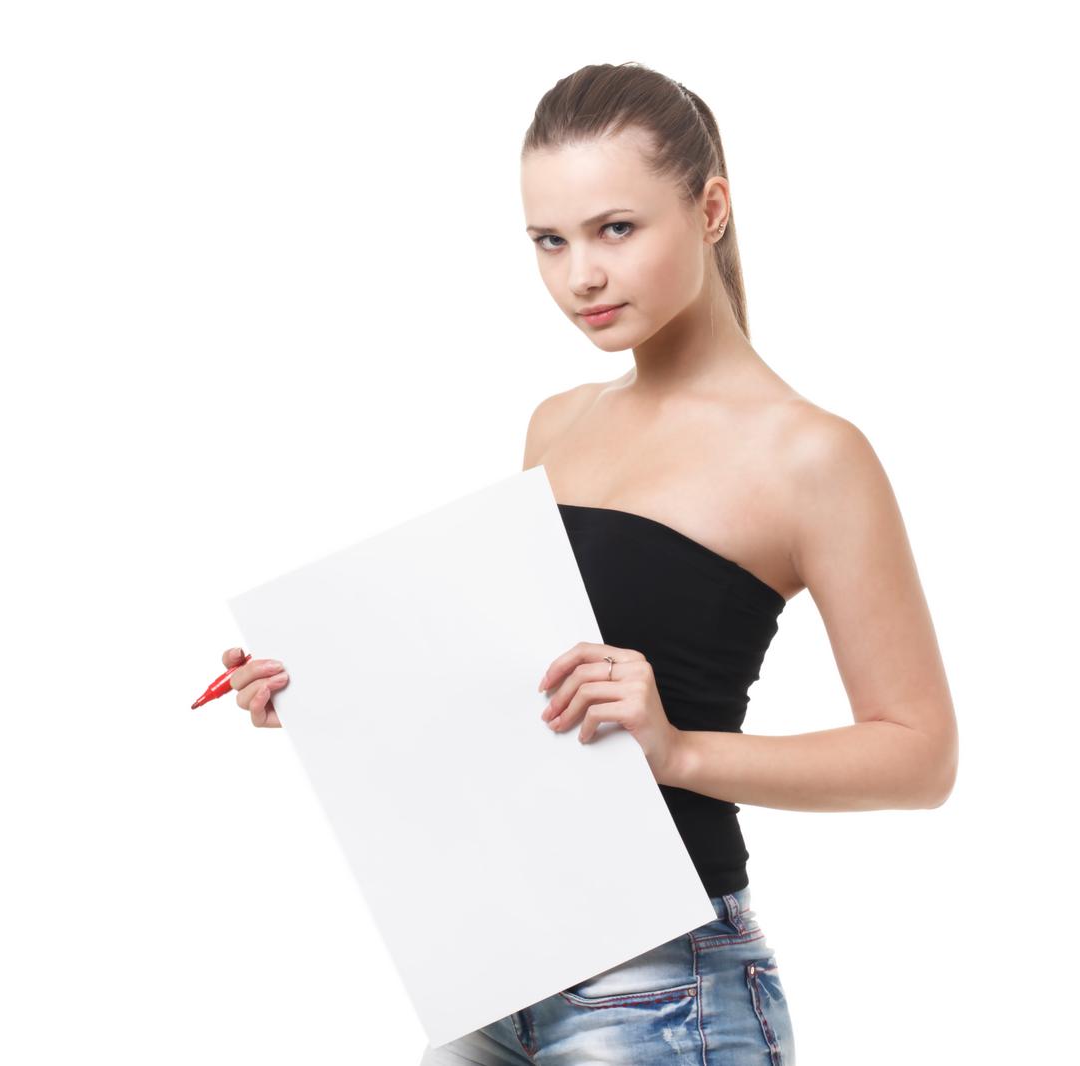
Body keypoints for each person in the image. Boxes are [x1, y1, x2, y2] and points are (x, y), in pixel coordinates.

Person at [220, 61, 958, 1065]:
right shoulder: (556, 424)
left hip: (665, 992)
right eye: (550, 241)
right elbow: (518, 699)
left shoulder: (811, 455)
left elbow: (920, 755)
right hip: (491, 971)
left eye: (616, 229)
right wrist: (326, 695)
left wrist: (680, 752)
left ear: (710, 210)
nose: (581, 278)